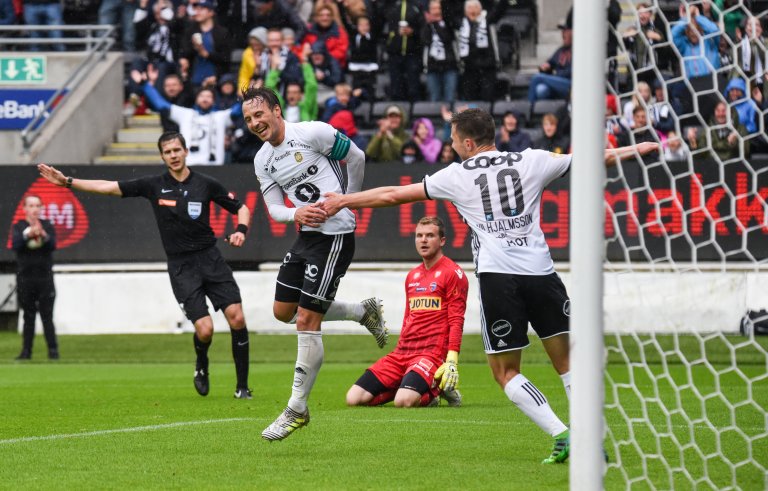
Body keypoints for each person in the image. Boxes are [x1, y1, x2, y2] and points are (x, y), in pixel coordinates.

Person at [322, 108, 660, 464]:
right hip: (543, 276)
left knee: (505, 372)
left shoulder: (456, 175)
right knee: (569, 365)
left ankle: (563, 434)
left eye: (453, 141)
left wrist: (343, 200)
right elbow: (598, 159)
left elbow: (392, 195)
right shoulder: (533, 160)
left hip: (500, 281)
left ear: (468, 143)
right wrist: (639, 148)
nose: (451, 147)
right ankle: (590, 441)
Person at [38, 131, 254, 398]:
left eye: (177, 150)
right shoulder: (153, 185)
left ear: (185, 152)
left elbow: (241, 208)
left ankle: (242, 387)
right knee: (205, 330)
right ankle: (201, 363)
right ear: (162, 156)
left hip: (211, 259)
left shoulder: (206, 184)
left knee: (237, 318)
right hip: (181, 267)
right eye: (167, 152)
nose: (173, 156)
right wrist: (68, 182)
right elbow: (108, 186)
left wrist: (241, 230)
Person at [240, 87, 388, 441]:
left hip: (335, 236)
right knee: (283, 311)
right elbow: (275, 209)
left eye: (259, 114)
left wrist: (348, 200)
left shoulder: (313, 133)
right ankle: (361, 311)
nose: (255, 123)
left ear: (277, 111)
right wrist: (297, 212)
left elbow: (357, 157)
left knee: (307, 319)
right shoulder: (263, 160)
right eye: (248, 119)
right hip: (306, 235)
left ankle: (297, 408)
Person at [347, 216, 468, 408]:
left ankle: (434, 392)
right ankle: (419, 386)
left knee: (403, 401)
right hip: (403, 353)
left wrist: (451, 360)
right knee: (354, 398)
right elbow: (408, 318)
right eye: (419, 235)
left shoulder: (453, 273)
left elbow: (456, 319)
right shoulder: (413, 275)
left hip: (431, 354)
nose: (423, 240)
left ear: (442, 240)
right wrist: (399, 348)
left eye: (430, 235)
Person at [136, 71, 241, 165]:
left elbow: (238, 110)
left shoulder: (221, 116)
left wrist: (248, 95)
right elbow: (161, 105)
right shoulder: (185, 114)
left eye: (208, 96)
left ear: (213, 101)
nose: (205, 99)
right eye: (202, 96)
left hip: (214, 166)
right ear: (196, 100)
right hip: (190, 166)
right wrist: (145, 85)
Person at [12, 195, 59, 360]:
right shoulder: (18, 226)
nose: (34, 209)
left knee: (47, 316)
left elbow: (53, 245)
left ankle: (53, 352)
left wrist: (43, 235)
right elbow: (16, 245)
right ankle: (26, 352)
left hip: (45, 279)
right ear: (24, 208)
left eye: (38, 206)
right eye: (31, 206)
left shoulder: (47, 225)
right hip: (25, 279)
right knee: (28, 316)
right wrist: (28, 234)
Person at [179, 0, 232, 89]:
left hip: (215, 80)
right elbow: (184, 53)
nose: (197, 12)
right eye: (196, 9)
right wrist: (184, 60)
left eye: (201, 9)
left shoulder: (222, 33)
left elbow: (225, 58)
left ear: (211, 12)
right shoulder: (190, 31)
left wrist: (206, 54)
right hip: (194, 80)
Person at [422, 0, 457, 103]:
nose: (436, 11)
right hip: (432, 66)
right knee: (434, 97)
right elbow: (425, 40)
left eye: (438, 8)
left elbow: (447, 38)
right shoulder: (426, 25)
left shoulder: (449, 24)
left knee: (450, 97)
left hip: (449, 65)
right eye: (433, 9)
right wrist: (429, 24)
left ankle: (449, 119)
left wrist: (437, 24)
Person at [528, 23, 572, 106]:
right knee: (541, 90)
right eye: (562, 31)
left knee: (537, 78)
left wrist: (555, 75)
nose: (563, 33)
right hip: (558, 84)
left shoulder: (578, 49)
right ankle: (544, 113)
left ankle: (529, 110)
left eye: (565, 31)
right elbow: (551, 63)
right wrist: (545, 67)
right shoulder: (561, 50)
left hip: (571, 86)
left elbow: (572, 71)